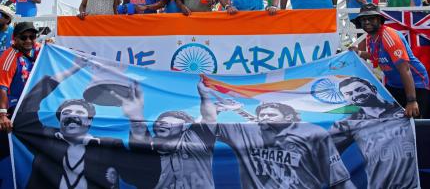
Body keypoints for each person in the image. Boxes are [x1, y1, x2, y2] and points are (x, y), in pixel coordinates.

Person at [8, 58, 161, 188]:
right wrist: (71, 70)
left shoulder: (109, 147)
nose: (72, 116)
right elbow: (26, 113)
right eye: (66, 113)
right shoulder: (45, 139)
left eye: (80, 113)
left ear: (89, 121)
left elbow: (145, 178)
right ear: (59, 120)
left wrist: (136, 119)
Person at [198, 79, 352, 188]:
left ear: (289, 117)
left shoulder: (313, 133)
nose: (265, 118)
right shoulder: (244, 131)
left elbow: (339, 179)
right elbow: (208, 123)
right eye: (262, 115)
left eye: (271, 115)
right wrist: (206, 97)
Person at [121, 80, 216, 189]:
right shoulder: (150, 153)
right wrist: (135, 115)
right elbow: (139, 133)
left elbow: (209, 118)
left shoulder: (197, 141)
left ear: (184, 127)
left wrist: (205, 96)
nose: (161, 124)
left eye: (168, 123)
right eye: (159, 123)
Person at [330, 76, 419, 188]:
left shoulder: (403, 111)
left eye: (359, 89)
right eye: (349, 94)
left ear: (373, 88)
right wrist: (342, 182)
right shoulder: (348, 123)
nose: (356, 95)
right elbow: (323, 150)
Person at [350, 3, 429, 118]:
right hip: (394, 85)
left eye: (371, 18)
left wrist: (412, 101)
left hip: (416, 85)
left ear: (379, 20)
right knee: (392, 119)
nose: (366, 22)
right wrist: (359, 52)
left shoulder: (389, 36)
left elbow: (405, 69)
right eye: (363, 19)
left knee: (417, 124)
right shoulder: (372, 37)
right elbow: (376, 56)